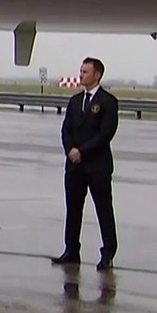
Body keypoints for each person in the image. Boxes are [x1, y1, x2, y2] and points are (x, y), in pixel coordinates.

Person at [53, 57, 120, 271]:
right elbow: (66, 130)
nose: (81, 75)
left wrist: (82, 151)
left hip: (97, 166)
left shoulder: (108, 101)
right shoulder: (75, 101)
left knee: (103, 210)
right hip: (74, 167)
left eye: (85, 72)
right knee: (73, 209)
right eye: (80, 71)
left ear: (97, 75)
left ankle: (108, 252)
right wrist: (70, 149)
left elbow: (105, 134)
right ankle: (71, 249)